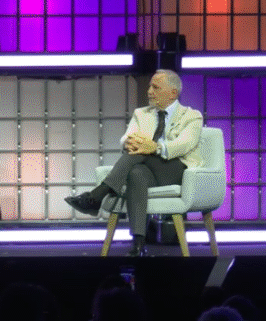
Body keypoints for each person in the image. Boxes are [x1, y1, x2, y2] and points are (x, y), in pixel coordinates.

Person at [64, 69, 203, 257]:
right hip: (147, 170)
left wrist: (154, 147)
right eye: (149, 86)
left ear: (173, 93)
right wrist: (128, 142)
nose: (149, 91)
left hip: (176, 170)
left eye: (156, 87)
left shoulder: (192, 116)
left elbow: (184, 144)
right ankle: (138, 243)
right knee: (136, 173)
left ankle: (97, 195)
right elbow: (126, 138)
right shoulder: (141, 113)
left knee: (141, 152)